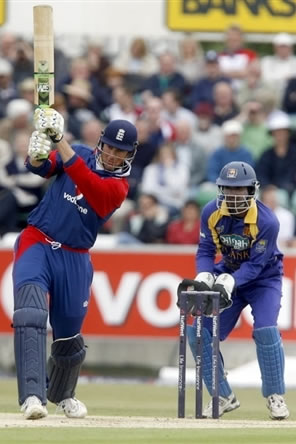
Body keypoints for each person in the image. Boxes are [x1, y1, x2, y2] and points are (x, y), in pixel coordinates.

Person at [12, 109, 138, 420]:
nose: (112, 154)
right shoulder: (79, 151)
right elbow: (40, 168)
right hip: (37, 241)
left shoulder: (118, 188)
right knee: (30, 313)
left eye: (120, 151)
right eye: (109, 146)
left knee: (69, 336)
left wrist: (60, 139)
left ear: (129, 155)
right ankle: (32, 396)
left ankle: (63, 394)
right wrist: (39, 151)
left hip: (75, 256)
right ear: (101, 143)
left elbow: (85, 179)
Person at [177, 161, 289, 420]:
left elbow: (256, 265)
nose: (233, 195)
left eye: (239, 190)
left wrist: (230, 281)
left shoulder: (267, 221)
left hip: (264, 279)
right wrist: (205, 273)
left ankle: (275, 396)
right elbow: (205, 251)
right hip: (227, 273)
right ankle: (222, 396)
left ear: (252, 190)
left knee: (265, 330)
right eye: (228, 189)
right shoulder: (210, 211)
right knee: (198, 333)